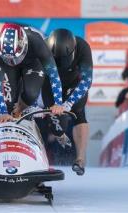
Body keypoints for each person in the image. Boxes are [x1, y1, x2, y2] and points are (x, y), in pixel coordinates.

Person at [0, 23, 65, 123]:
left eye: (15, 58)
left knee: (31, 94)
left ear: (23, 44)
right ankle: (11, 117)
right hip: (7, 67)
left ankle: (20, 111)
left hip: (32, 63)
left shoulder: (36, 42)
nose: (13, 61)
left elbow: (53, 73)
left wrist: (58, 103)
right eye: (9, 59)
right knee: (8, 103)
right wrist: (3, 112)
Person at [41, 29, 93, 175]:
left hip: (73, 82)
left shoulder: (83, 47)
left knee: (78, 112)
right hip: (50, 83)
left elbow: (87, 81)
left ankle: (80, 159)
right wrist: (57, 103)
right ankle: (60, 135)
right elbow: (53, 78)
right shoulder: (44, 48)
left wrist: (68, 104)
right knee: (57, 123)